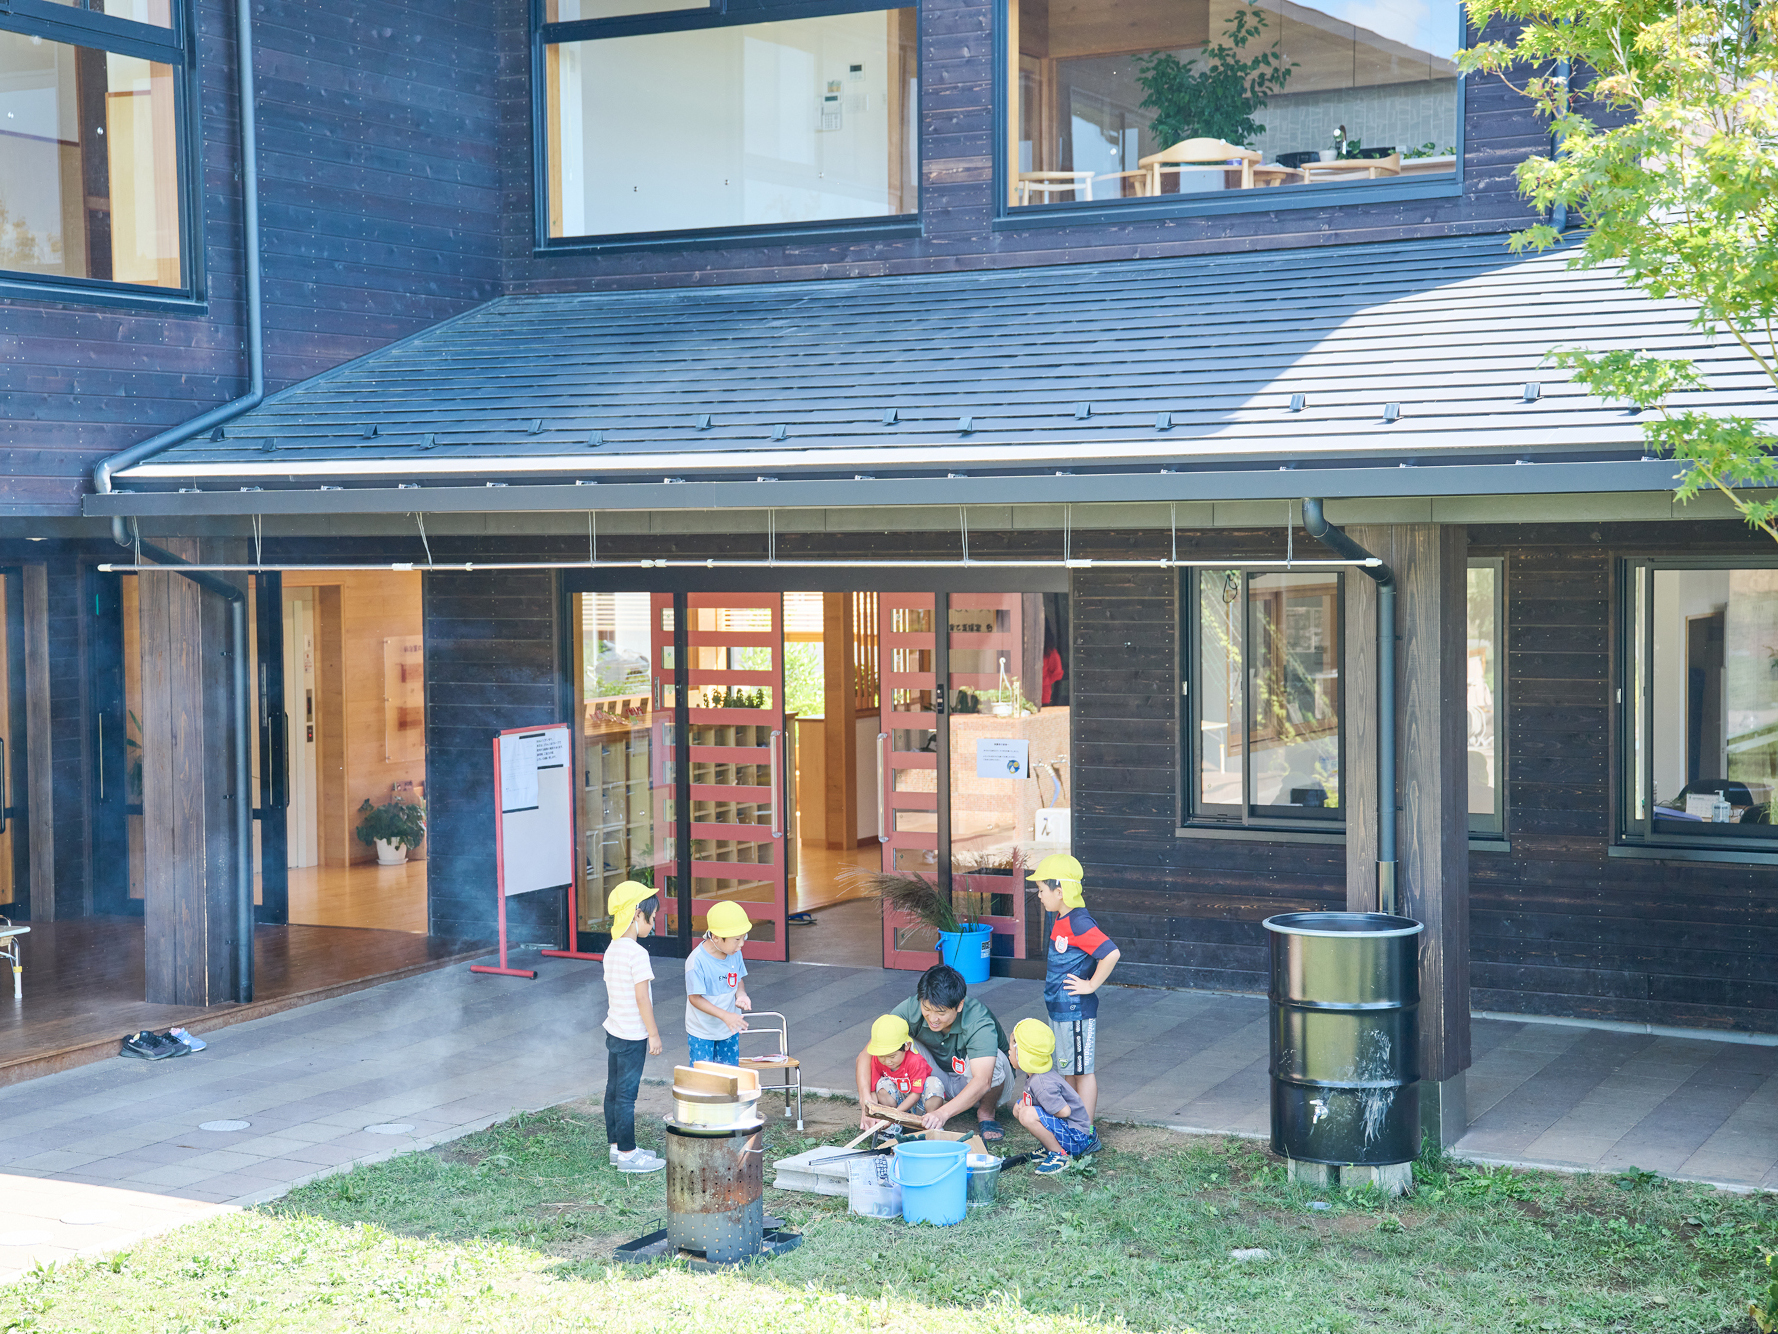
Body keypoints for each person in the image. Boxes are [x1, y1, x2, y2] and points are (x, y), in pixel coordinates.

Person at [853, 963, 1012, 1141]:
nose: (933, 1018)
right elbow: (865, 1055)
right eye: (926, 1009)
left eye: (941, 1012)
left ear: (959, 1005)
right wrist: (866, 1102)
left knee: (995, 1059)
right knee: (892, 1041)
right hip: (937, 1077)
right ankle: (912, 1107)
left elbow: (983, 1081)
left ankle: (986, 1113)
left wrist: (942, 1114)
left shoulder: (978, 1019)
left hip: (979, 1085)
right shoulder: (910, 1008)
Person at [1029, 852, 1120, 1121]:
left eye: (1041, 889)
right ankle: (1072, 1124)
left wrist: (1091, 985)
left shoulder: (1079, 921)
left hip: (1075, 1011)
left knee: (1082, 1070)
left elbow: (1110, 953)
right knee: (1068, 1069)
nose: (1039, 895)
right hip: (1059, 1009)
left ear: (1060, 891)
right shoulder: (1060, 917)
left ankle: (1085, 1129)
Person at [602, 880, 665, 1173]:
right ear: (637, 914)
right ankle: (628, 1154)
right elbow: (642, 998)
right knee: (627, 1095)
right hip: (633, 1035)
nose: (653, 925)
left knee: (613, 1090)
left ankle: (616, 1146)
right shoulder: (638, 954)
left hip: (614, 1030)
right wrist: (653, 1033)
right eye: (651, 919)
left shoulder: (613, 949)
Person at [1009, 1017, 1098, 1175]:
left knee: (1028, 1114)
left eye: (1012, 1048)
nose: (1009, 1052)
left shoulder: (1042, 1083)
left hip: (1077, 1137)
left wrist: (1033, 1111)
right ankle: (1050, 1147)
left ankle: (1060, 1155)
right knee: (1019, 1108)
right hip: (1069, 1132)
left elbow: (1065, 1112)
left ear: (1023, 1054)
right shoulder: (1036, 1074)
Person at [684, 900, 753, 1066]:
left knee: (728, 1078)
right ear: (715, 937)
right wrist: (725, 1016)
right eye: (736, 939)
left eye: (744, 937)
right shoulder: (696, 961)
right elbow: (695, 998)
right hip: (702, 1031)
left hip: (728, 1029)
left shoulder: (734, 953)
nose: (741, 944)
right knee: (704, 1081)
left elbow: (737, 979)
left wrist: (741, 994)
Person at [855, 1013, 941, 1122]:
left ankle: (930, 1119)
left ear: (906, 1046)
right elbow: (872, 1089)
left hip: (919, 1104)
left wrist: (895, 1115)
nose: (887, 1061)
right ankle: (893, 1124)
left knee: (934, 1084)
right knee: (882, 1084)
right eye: (882, 1056)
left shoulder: (916, 1061)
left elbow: (915, 1094)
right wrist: (875, 1112)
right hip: (897, 1103)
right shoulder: (877, 1060)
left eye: (892, 1056)